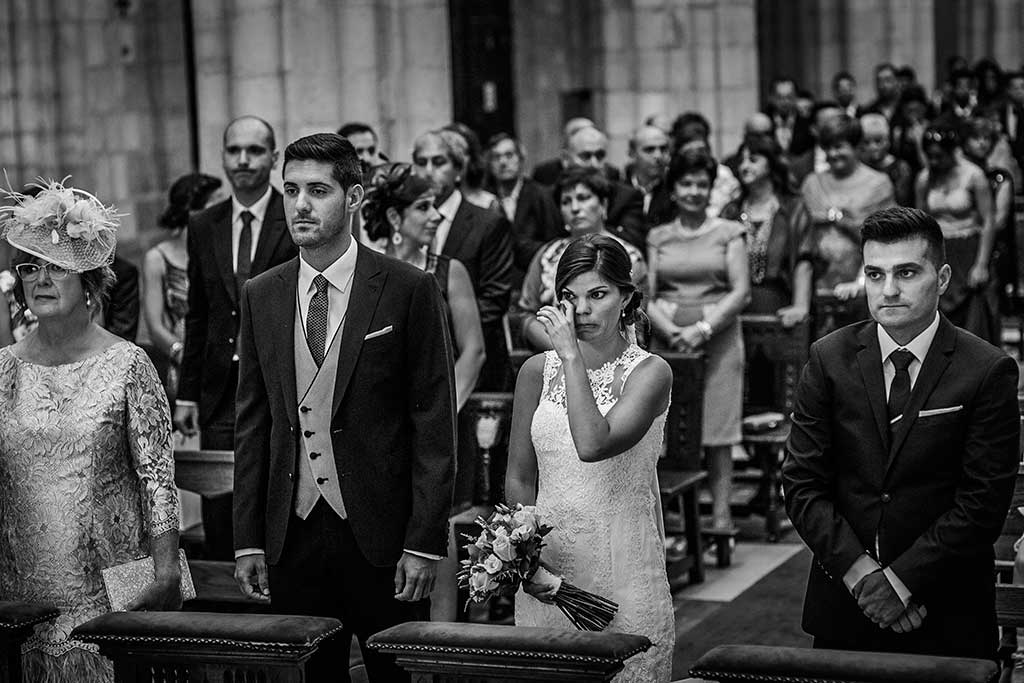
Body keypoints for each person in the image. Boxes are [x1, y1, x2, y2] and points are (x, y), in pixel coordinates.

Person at [232, 134, 456, 681]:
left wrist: (424, 543)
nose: (300, 205)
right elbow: (253, 423)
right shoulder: (262, 293)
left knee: (393, 677)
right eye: (290, 190)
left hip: (384, 538)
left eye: (318, 190)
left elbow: (434, 424)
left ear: (354, 197)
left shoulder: (408, 288)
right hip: (294, 534)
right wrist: (248, 541)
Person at [783, 206, 1019, 660]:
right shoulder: (830, 358)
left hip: (946, 609)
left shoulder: (987, 370)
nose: (888, 290)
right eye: (875, 274)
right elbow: (802, 484)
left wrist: (900, 582)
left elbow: (982, 503)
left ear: (944, 277)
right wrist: (864, 577)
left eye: (907, 272)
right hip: (845, 605)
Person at [0, 180, 181, 681]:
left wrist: (165, 573)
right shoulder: (2, 370)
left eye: (57, 266)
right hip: (19, 595)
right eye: (30, 267)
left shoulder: (127, 363)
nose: (41, 279)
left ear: (90, 281)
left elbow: (158, 480)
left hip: (110, 587)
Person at [506, 233, 675, 682]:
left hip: (623, 572)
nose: (581, 311)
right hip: (549, 573)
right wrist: (522, 556)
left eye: (598, 295)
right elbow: (521, 477)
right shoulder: (535, 373)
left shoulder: (651, 373)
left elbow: (593, 444)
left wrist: (570, 357)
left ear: (626, 298)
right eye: (569, 297)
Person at [174, 115, 298, 560]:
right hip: (219, 389)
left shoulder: (294, 216)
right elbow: (198, 314)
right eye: (233, 150)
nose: (243, 160)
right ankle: (229, 617)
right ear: (223, 157)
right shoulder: (204, 224)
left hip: (280, 381)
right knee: (221, 501)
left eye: (255, 150)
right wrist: (186, 394)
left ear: (273, 157)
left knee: (275, 489)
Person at [647, 148, 750, 531]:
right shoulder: (659, 235)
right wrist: (670, 331)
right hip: (669, 339)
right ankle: (671, 521)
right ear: (673, 190)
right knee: (666, 429)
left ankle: (721, 519)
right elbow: (648, 293)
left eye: (701, 184)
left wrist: (703, 329)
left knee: (718, 431)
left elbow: (741, 292)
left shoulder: (729, 232)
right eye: (686, 183)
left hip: (719, 337)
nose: (694, 191)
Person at [413, 129, 514, 390]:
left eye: (438, 162)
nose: (428, 171)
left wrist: (440, 326)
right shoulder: (406, 225)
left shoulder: (488, 223)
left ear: (459, 170)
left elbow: (495, 298)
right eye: (421, 162)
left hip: (477, 365)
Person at [518, 168, 647, 351]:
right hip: (553, 352)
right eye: (566, 202)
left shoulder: (628, 256)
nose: (575, 208)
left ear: (603, 204)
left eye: (583, 198)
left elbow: (635, 319)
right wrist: (563, 350)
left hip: (611, 356)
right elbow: (527, 314)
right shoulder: (547, 254)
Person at [142, 173, 224, 405]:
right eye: (216, 203)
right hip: (184, 364)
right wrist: (183, 354)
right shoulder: (157, 258)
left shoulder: (224, 251)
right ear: (193, 210)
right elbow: (155, 326)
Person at [916, 124, 1000, 345]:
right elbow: (920, 221)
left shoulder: (974, 175)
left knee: (974, 316)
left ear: (952, 152)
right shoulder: (925, 178)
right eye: (930, 156)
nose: (934, 162)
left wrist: (981, 264)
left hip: (969, 248)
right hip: (939, 248)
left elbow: (989, 220)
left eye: (939, 156)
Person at [800, 114, 895, 303]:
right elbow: (803, 239)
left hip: (864, 283)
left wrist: (861, 282)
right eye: (827, 148)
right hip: (817, 283)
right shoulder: (812, 182)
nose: (832, 154)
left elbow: (884, 240)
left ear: (856, 146)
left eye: (839, 147)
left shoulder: (878, 184)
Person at [720, 135, 812, 326]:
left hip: (780, 304)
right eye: (742, 161)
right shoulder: (731, 211)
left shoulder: (793, 208)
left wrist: (801, 305)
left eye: (753, 160)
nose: (744, 166)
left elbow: (804, 260)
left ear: (771, 164)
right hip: (735, 308)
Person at [484, 133, 562, 286]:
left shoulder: (540, 195)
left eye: (509, 155)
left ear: (520, 159)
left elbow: (553, 242)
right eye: (496, 157)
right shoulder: (484, 198)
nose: (503, 162)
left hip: (533, 279)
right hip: (494, 281)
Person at [551, 126, 647, 249]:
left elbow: (632, 240)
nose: (594, 164)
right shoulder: (552, 195)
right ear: (566, 159)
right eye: (586, 156)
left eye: (600, 156)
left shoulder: (627, 196)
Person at [961, 115, 1017, 306]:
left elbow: (999, 220)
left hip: (992, 250)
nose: (982, 143)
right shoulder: (957, 177)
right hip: (960, 247)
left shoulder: (1000, 178)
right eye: (976, 138)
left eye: (987, 138)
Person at [859, 113, 915, 207]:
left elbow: (903, 203)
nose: (873, 147)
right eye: (866, 142)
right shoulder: (859, 166)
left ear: (887, 141)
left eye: (878, 141)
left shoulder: (901, 168)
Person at [625, 125, 675, 226]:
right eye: (649, 149)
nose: (658, 155)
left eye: (663, 149)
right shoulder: (619, 189)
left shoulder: (674, 190)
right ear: (632, 153)